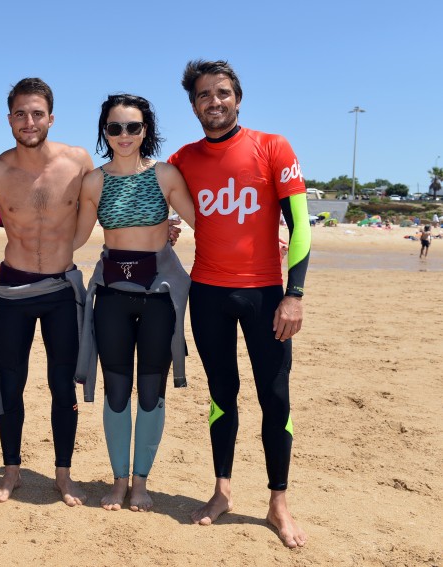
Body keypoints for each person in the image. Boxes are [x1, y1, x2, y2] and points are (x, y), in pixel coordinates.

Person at [167, 60, 311, 548]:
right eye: (204, 95)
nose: (214, 101)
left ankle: (278, 503)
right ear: (194, 106)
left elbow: (300, 225)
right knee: (221, 394)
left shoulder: (272, 146)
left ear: (238, 98)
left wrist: (294, 295)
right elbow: (162, 204)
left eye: (223, 92)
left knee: (275, 398)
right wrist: (166, 229)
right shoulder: (183, 159)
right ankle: (222, 491)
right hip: (208, 294)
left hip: (267, 294)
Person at [72, 94, 195, 512]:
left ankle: (141, 482)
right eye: (115, 128)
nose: (124, 135)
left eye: (133, 127)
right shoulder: (94, 181)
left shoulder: (165, 175)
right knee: (117, 389)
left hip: (159, 296)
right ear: (105, 132)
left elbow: (204, 222)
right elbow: (76, 237)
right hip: (112, 296)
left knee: (151, 390)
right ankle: (119, 481)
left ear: (146, 131)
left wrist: (262, 239)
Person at [0, 78, 94, 506]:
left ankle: (63, 475)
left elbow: (111, 202)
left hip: (61, 289)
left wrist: (163, 227)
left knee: (63, 385)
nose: (29, 121)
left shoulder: (78, 161)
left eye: (37, 113)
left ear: (51, 118)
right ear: (9, 119)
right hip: (13, 292)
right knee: (11, 384)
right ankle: (11, 472)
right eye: (21, 114)